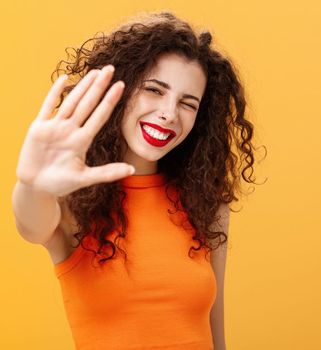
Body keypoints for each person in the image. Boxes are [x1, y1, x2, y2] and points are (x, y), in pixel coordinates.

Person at [11, 11, 261, 350]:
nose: (169, 113)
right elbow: (31, 224)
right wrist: (32, 184)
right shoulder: (72, 201)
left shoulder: (206, 204)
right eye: (154, 90)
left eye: (188, 104)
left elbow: (215, 332)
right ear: (121, 91)